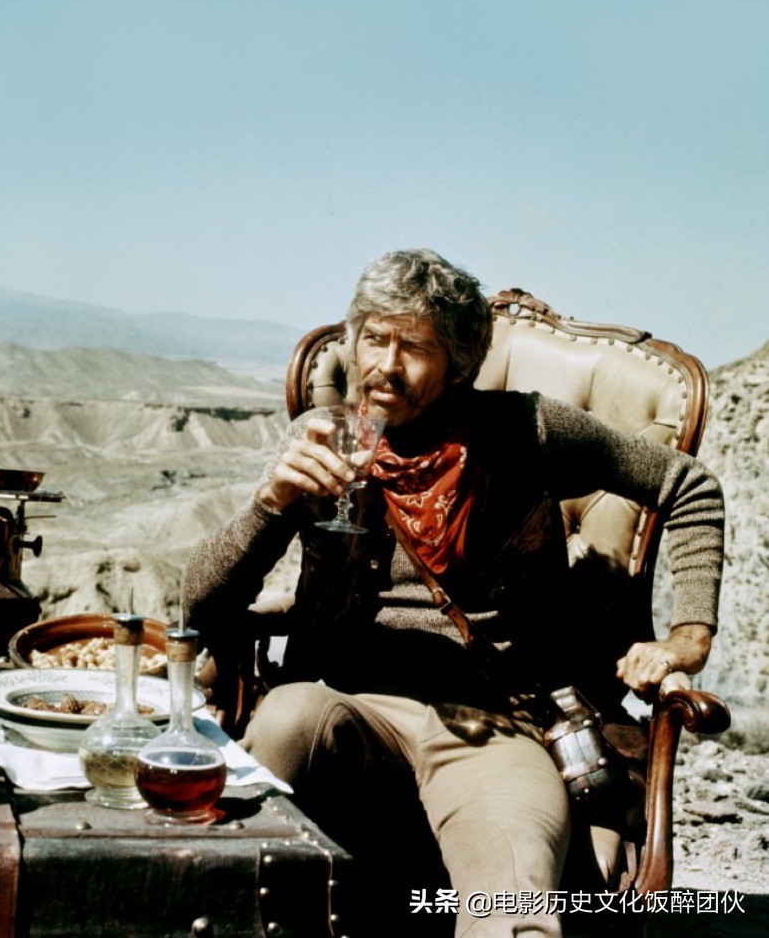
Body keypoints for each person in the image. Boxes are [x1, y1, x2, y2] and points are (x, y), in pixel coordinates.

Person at [181, 248, 724, 938]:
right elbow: (200, 608)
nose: (385, 365)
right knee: (282, 729)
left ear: (460, 364)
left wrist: (688, 636)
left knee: (512, 904)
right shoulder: (321, 441)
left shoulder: (527, 432)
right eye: (374, 339)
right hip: (346, 705)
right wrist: (270, 504)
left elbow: (689, 487)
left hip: (493, 723)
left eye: (413, 348)